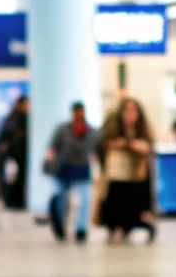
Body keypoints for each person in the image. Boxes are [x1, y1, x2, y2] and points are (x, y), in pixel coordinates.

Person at [97, 98, 156, 243]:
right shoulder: (113, 127)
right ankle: (116, 227)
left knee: (134, 203)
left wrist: (136, 145)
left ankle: (134, 225)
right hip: (117, 172)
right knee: (116, 200)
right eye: (127, 110)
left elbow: (149, 146)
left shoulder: (143, 129)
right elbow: (102, 145)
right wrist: (118, 144)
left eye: (133, 110)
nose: (130, 114)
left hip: (136, 174)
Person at [45, 102, 97, 244]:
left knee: (84, 200)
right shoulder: (62, 129)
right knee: (61, 201)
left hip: (82, 168)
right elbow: (52, 147)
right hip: (64, 168)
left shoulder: (91, 131)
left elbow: (96, 150)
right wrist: (49, 163)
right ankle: (60, 227)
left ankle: (81, 228)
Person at [0, 96, 30, 210]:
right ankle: (11, 201)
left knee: (17, 180)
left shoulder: (22, 118)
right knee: (12, 179)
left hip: (20, 156)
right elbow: (6, 138)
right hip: (13, 156)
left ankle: (17, 201)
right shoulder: (14, 118)